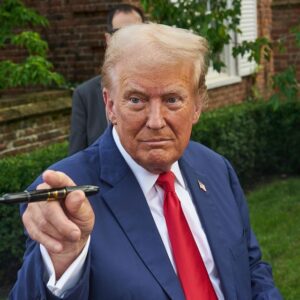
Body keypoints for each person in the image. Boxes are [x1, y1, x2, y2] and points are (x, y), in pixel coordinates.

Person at [10, 23, 282, 300]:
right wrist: (64, 261)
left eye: (173, 99)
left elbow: (251, 269)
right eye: (137, 100)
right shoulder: (66, 196)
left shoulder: (215, 168)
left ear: (198, 105)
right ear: (110, 106)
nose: (155, 121)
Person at [69, 3, 145, 155]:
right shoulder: (85, 94)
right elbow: (77, 155)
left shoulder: (160, 86)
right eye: (120, 32)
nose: (129, 39)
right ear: (108, 39)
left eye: (136, 32)